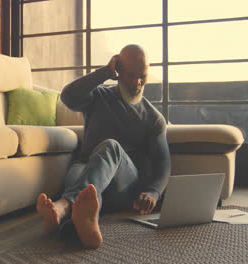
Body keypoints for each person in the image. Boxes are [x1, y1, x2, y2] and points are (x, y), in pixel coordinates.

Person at [36, 45, 171, 249]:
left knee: (110, 147)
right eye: (131, 75)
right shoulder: (98, 97)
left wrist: (153, 192)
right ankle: (81, 227)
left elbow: (163, 161)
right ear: (117, 72)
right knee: (85, 183)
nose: (137, 82)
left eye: (142, 76)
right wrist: (105, 72)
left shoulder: (153, 118)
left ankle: (63, 206)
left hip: (123, 188)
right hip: (86, 175)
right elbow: (68, 97)